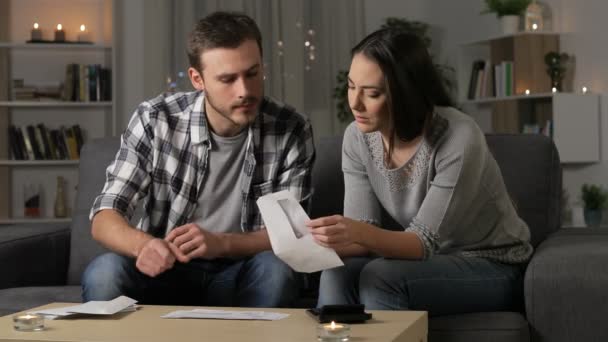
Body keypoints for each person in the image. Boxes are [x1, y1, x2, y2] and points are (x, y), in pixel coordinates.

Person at [82, 11, 315, 307]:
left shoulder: (291, 127)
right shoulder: (155, 119)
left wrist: (220, 243)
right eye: (227, 79)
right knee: (104, 273)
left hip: (242, 269)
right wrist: (145, 246)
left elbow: (290, 233)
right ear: (197, 79)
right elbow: (104, 217)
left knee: (278, 272)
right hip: (166, 269)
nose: (244, 91)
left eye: (253, 74)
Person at [307, 29, 532, 315]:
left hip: (492, 264)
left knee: (381, 276)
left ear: (405, 92)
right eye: (351, 87)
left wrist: (355, 231)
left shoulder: (459, 137)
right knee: (335, 273)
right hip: (430, 262)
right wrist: (310, 246)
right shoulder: (357, 137)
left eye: (372, 93)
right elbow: (360, 235)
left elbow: (420, 242)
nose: (355, 103)